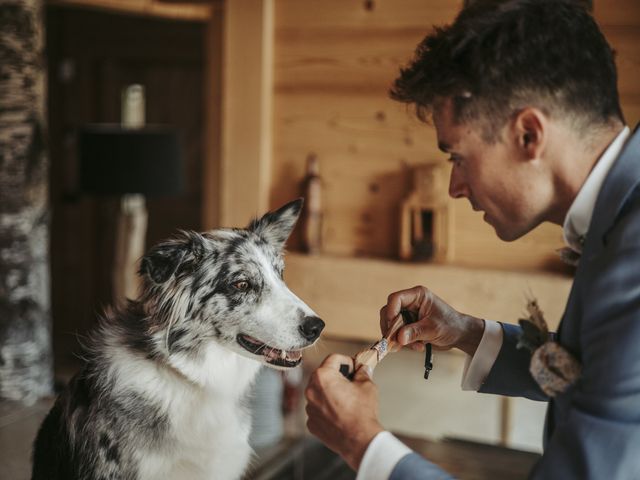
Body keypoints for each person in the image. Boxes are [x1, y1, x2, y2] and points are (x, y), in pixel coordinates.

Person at [304, 0, 640, 478]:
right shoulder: (618, 216)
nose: (454, 188)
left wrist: (362, 443)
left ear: (529, 134)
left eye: (458, 157)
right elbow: (590, 371)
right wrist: (463, 331)